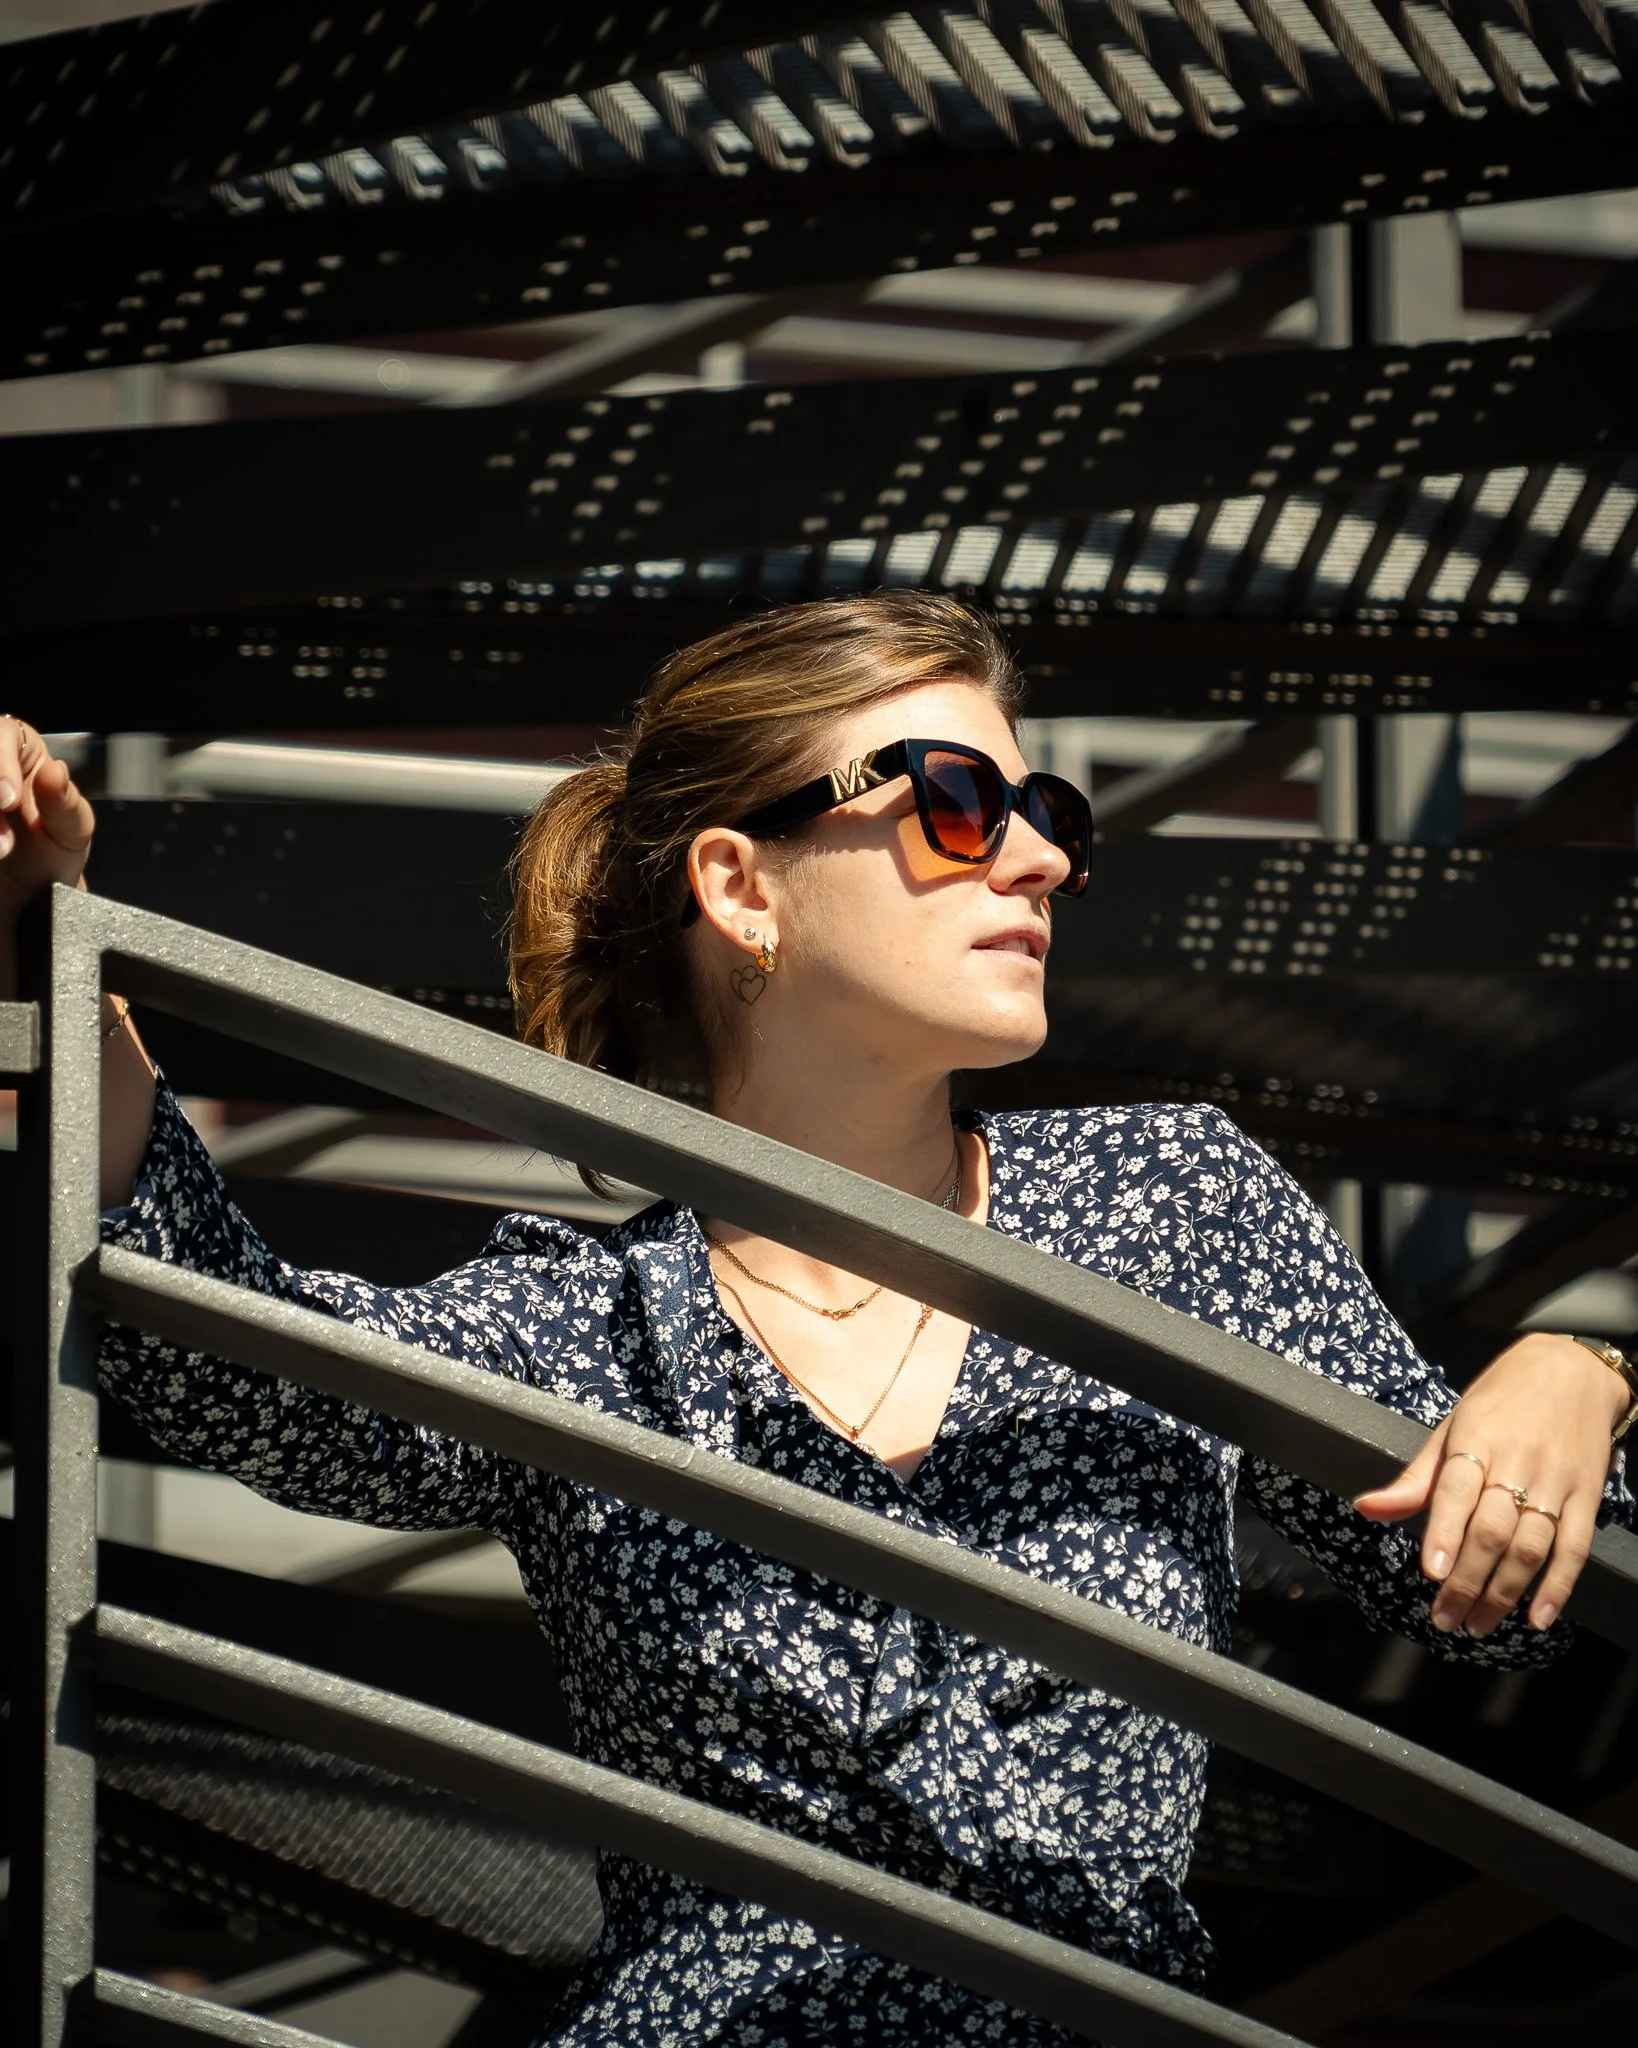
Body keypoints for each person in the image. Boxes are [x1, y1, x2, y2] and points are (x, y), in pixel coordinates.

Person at [2, 592, 1632, 2048]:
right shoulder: (592, 1325)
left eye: (1045, 811)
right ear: (741, 886)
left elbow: (1488, 1595)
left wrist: (1578, 1374)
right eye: (958, 803)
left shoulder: (1170, 1202)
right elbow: (243, 1379)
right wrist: (47, 943)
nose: (1045, 856)